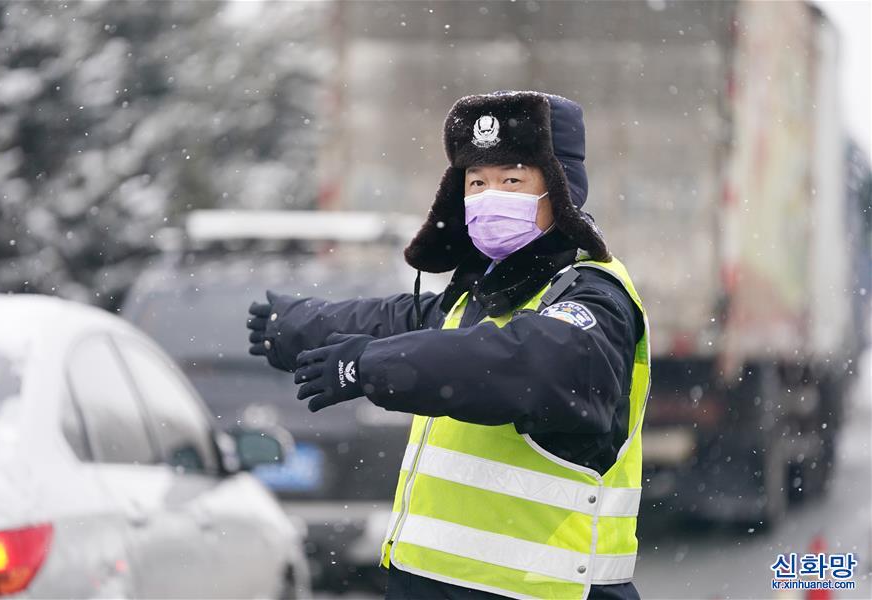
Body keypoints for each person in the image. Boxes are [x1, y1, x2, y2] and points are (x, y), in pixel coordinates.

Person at [247, 91, 650, 600]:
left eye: (511, 180)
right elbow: (393, 321)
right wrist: (297, 325)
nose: (488, 196)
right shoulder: (480, 296)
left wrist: (366, 368)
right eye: (476, 182)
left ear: (561, 189)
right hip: (432, 584)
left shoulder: (594, 297)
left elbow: (526, 364)